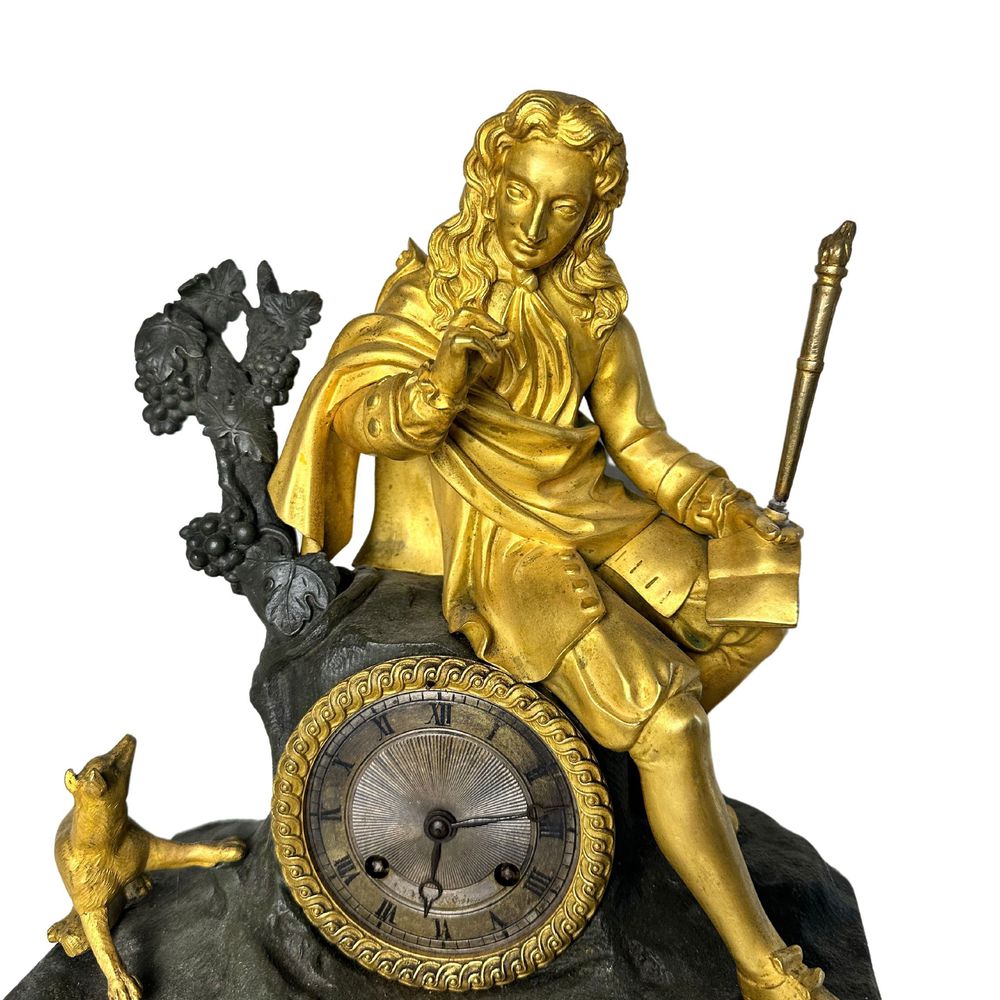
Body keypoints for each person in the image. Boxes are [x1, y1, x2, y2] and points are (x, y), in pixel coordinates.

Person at [269, 90, 835, 1000]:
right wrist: (436, 388)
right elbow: (362, 412)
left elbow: (640, 443)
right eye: (520, 195)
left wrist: (726, 508)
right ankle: (762, 965)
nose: (534, 225)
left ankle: (653, 791)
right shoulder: (435, 295)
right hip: (496, 543)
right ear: (489, 184)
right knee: (671, 719)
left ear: (592, 215)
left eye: (563, 207)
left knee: (756, 594)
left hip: (588, 509)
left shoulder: (593, 315)